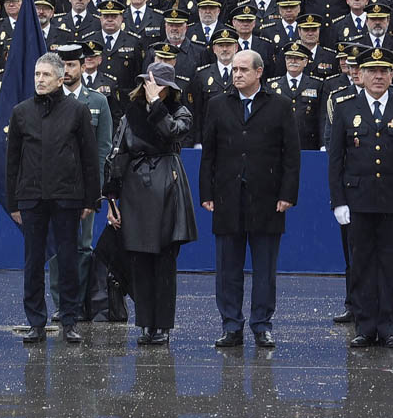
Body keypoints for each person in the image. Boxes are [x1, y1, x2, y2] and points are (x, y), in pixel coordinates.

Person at [199, 50, 300, 348]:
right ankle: (231, 325)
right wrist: (207, 192)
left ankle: (261, 324)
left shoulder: (280, 105)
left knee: (264, 270)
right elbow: (209, 154)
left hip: (267, 199)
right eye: (234, 70)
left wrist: (287, 194)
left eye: (243, 69)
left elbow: (291, 156)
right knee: (227, 268)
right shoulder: (218, 105)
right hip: (227, 197)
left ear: (259, 72)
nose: (237, 74)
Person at [328, 48, 393, 348]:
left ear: (392, 75)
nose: (378, 76)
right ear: (361, 75)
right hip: (358, 199)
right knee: (361, 265)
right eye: (372, 71)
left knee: (391, 265)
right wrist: (339, 201)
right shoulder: (345, 107)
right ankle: (365, 326)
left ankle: (389, 328)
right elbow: (336, 160)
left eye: (384, 71)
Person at [6, 52, 98, 345]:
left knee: (68, 260)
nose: (40, 80)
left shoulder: (78, 111)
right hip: (32, 197)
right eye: (37, 75)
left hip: (67, 197)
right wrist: (12, 202)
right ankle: (35, 321)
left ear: (61, 79)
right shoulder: (21, 111)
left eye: (46, 75)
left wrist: (90, 200)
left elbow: (89, 158)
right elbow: (12, 162)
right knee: (33, 261)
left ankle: (69, 320)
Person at [103, 62, 197, 346]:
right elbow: (117, 154)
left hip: (167, 186)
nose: (149, 87)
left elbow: (171, 132)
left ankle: (163, 325)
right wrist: (111, 199)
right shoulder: (130, 114)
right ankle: (145, 323)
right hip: (135, 189)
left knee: (165, 261)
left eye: (156, 84)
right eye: (147, 83)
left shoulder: (180, 112)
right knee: (139, 259)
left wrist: (156, 103)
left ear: (168, 89)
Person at [46, 44, 113, 321]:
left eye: (73, 65)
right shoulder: (47, 99)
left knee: (83, 246)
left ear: (83, 67)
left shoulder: (97, 101)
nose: (69, 70)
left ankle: (79, 303)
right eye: (64, 65)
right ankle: (62, 304)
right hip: (53, 186)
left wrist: (96, 190)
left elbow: (103, 149)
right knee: (56, 246)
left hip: (83, 188)